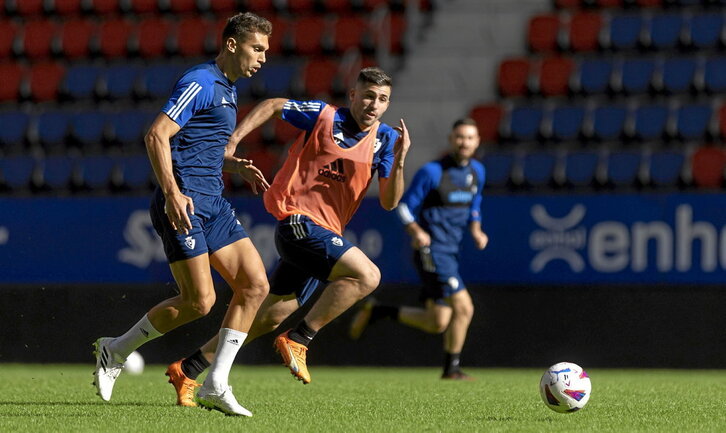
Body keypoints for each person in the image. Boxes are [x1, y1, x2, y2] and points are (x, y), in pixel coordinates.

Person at [164, 67, 411, 406]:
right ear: (353, 95)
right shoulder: (324, 116)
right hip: (297, 221)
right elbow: (273, 105)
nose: (374, 104)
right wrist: (234, 140)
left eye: (382, 99)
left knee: (267, 317)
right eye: (368, 95)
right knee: (367, 275)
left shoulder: (386, 140)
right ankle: (301, 338)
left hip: (326, 231)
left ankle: (188, 368)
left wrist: (398, 164)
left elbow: (389, 202)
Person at [93, 12, 273, 416]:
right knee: (200, 302)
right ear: (232, 44)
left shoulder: (227, 89)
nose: (262, 58)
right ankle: (115, 349)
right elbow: (156, 134)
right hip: (185, 203)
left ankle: (215, 383)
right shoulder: (201, 81)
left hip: (215, 202)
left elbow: (197, 147)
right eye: (256, 48)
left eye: (265, 51)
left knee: (255, 286)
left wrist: (234, 166)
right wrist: (172, 192)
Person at [348, 118, 488, 380]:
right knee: (464, 307)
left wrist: (476, 229)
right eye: (460, 137)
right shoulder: (433, 172)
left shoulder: (477, 171)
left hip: (451, 252)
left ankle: (379, 311)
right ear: (451, 139)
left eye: (470, 137)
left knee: (438, 322)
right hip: (432, 251)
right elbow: (403, 207)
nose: (464, 142)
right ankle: (452, 369)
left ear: (477, 141)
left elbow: (475, 204)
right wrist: (417, 231)